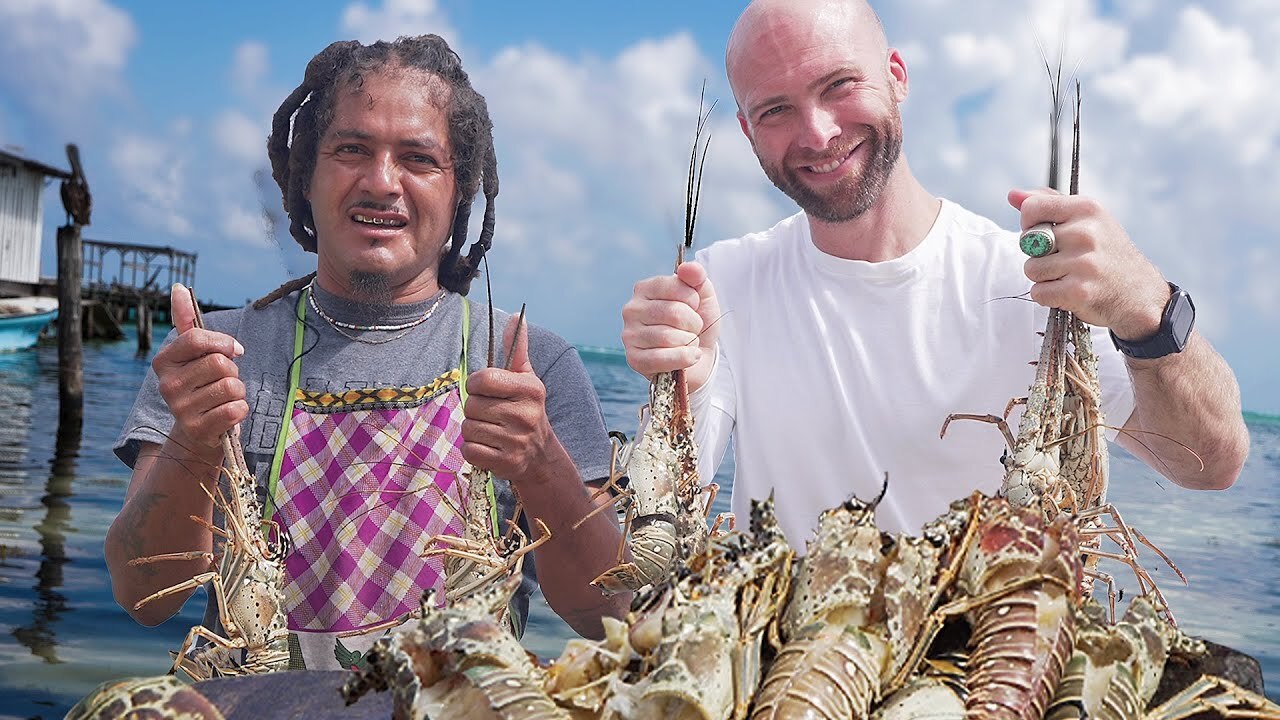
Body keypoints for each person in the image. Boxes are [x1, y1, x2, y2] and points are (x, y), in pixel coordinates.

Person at [621, 0, 1249, 546]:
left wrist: (1147, 310)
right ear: (746, 130)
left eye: (839, 85)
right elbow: (651, 541)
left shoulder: (1039, 282)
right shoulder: (721, 284)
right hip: (792, 661)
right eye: (775, 110)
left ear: (896, 77)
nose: (817, 133)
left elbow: (1211, 464)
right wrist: (681, 390)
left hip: (999, 657)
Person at [106, 34, 628, 671]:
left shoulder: (527, 362)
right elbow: (142, 597)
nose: (382, 182)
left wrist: (543, 466)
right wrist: (194, 439)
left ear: (458, 188)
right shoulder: (213, 356)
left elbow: (611, 613)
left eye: (418, 158)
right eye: (352, 149)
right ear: (307, 174)